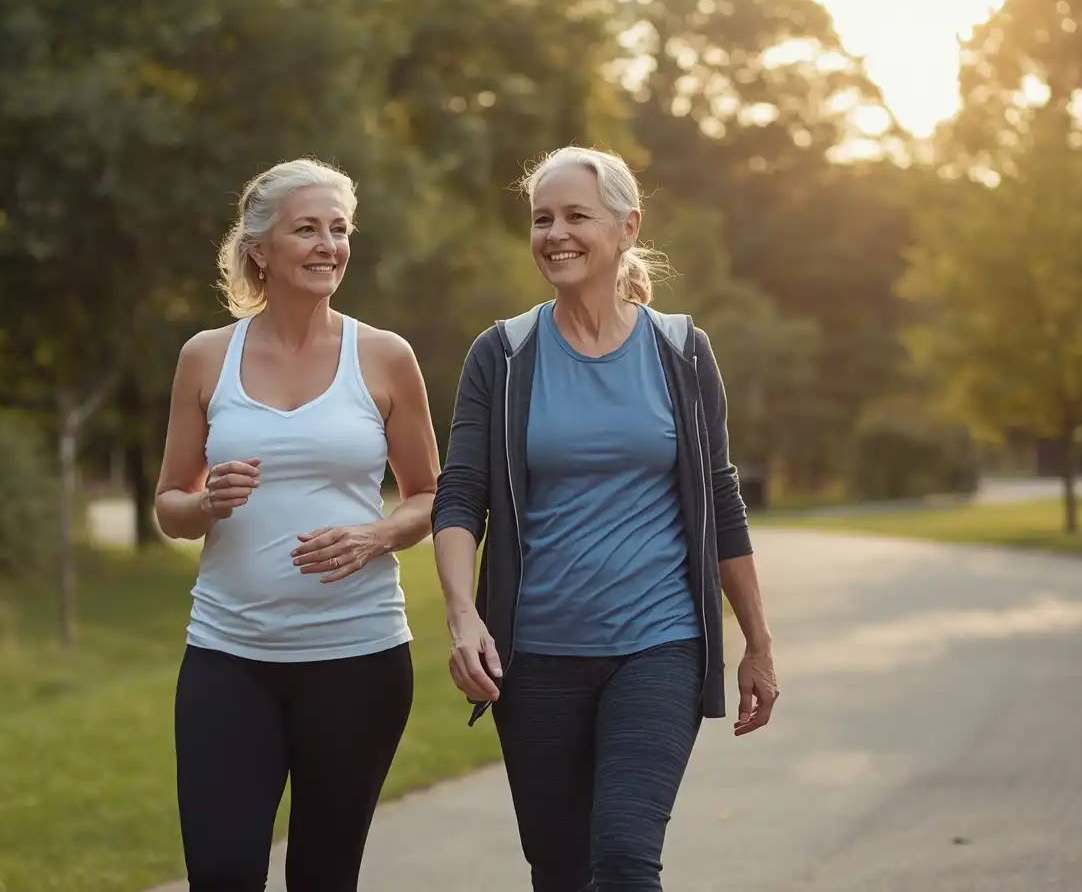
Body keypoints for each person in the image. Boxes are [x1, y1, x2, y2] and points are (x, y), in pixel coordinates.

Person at [430, 145, 780, 890]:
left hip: (659, 646)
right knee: (559, 869)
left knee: (622, 858)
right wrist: (463, 615)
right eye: (541, 219)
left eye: (575, 216)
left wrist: (757, 641)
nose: (555, 233)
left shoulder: (683, 351)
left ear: (627, 227)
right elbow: (461, 495)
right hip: (535, 660)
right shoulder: (503, 354)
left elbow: (720, 498)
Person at [154, 157, 441, 891]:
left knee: (322, 876)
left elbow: (431, 496)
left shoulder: (383, 356)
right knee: (221, 872)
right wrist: (209, 501)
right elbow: (170, 505)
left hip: (358, 658)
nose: (328, 246)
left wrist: (375, 535)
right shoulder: (205, 357)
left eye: (339, 230)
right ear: (260, 249)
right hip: (229, 656)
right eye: (306, 229)